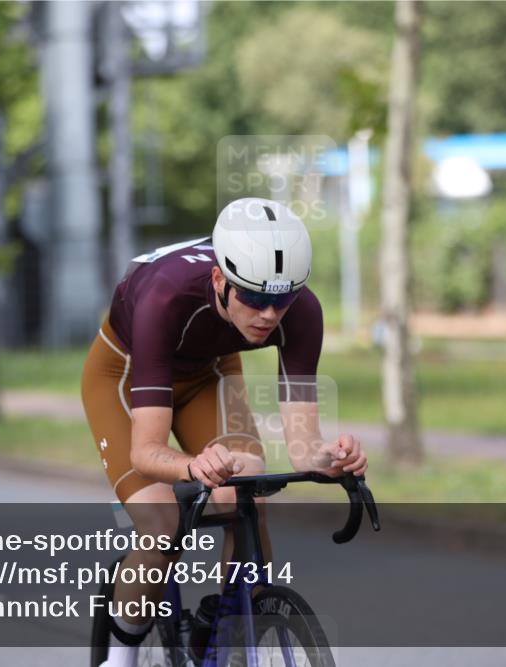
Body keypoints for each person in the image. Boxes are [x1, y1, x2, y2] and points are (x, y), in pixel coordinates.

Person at [81, 197, 368, 667]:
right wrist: (190, 465)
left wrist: (332, 459)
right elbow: (147, 451)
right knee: (161, 525)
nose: (270, 314)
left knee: (246, 491)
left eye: (283, 300)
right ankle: (119, 658)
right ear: (220, 279)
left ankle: (233, 627)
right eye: (254, 298)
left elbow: (301, 447)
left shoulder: (302, 311)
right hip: (125, 374)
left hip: (206, 372)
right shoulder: (164, 297)